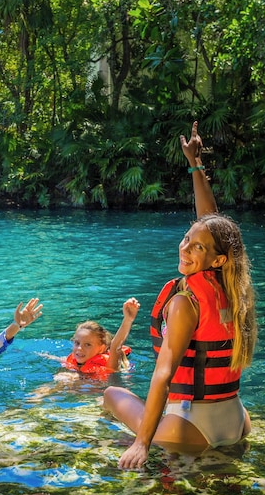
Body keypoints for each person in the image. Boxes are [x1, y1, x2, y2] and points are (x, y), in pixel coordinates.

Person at [103, 121, 257, 469]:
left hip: (190, 428)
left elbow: (164, 371)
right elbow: (213, 228)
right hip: (235, 420)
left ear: (215, 258)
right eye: (187, 238)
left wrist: (141, 445)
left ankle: (140, 439)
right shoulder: (233, 286)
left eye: (196, 247)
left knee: (112, 394)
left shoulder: (184, 300)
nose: (185, 248)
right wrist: (196, 166)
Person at [63, 297, 141, 377]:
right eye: (77, 343)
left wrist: (128, 319)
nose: (79, 348)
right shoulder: (72, 360)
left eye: (88, 345)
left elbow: (116, 345)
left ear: (101, 348)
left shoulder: (108, 365)